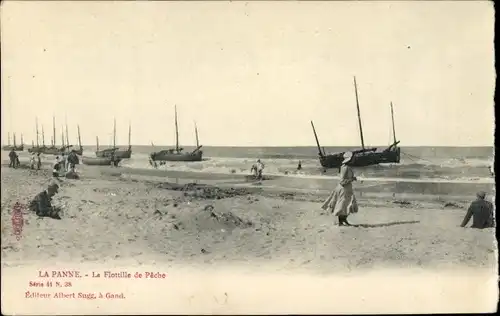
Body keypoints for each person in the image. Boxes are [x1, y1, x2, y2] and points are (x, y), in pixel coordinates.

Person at [321, 151, 358, 226]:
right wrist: (352, 179)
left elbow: (343, 178)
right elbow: (342, 181)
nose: (354, 159)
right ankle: (342, 221)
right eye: (353, 158)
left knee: (345, 205)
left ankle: (342, 221)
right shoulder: (346, 168)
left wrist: (351, 178)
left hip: (345, 188)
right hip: (344, 188)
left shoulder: (343, 167)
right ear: (350, 159)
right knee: (345, 205)